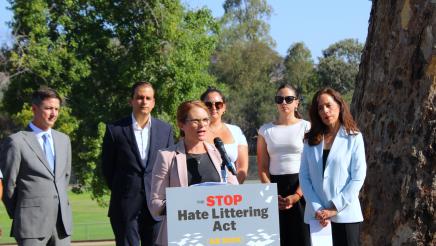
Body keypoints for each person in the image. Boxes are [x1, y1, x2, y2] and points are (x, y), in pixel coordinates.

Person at [149, 100, 238, 246]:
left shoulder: (219, 153)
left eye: (205, 120)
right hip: (180, 238)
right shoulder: (166, 156)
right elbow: (155, 205)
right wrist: (188, 202)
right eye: (195, 121)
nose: (202, 125)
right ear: (181, 124)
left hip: (216, 237)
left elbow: (236, 194)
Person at [101, 81, 174, 246]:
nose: (144, 101)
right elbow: (107, 168)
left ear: (154, 102)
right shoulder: (115, 130)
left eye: (148, 98)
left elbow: (170, 167)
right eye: (140, 97)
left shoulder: (166, 130)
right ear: (131, 101)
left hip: (157, 208)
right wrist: (126, 189)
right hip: (125, 206)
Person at [0, 87, 72, 245]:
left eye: (56, 109)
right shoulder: (16, 142)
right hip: (30, 225)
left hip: (62, 226)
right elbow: (8, 185)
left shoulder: (64, 140)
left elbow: (64, 178)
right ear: (34, 109)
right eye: (48, 108)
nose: (53, 113)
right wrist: (22, 213)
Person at [299, 88, 366, 246]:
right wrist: (318, 209)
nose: (325, 111)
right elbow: (304, 176)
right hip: (317, 219)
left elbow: (358, 177)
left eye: (328, 105)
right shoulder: (309, 141)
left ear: (340, 105)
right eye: (320, 108)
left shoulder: (354, 137)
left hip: (346, 216)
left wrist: (335, 207)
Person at [257, 84, 311, 246]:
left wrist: (297, 195)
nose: (284, 103)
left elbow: (311, 166)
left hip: (302, 189)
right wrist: (271, 193)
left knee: (303, 239)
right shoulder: (265, 130)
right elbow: (262, 168)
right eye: (279, 99)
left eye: (289, 99)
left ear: (297, 103)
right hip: (274, 192)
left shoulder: (307, 127)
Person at [200, 87, 249, 183]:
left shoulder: (236, 131)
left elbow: (242, 168)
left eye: (218, 104)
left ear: (224, 107)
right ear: (202, 107)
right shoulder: (195, 131)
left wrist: (232, 190)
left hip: (231, 192)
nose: (214, 108)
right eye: (208, 104)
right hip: (202, 190)